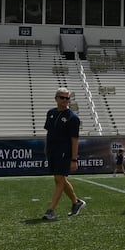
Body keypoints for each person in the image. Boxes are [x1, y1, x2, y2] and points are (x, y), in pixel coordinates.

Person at [42, 87, 86, 221]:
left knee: (59, 179)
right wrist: (46, 148)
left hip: (64, 152)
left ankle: (51, 210)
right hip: (52, 150)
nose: (65, 100)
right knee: (59, 179)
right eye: (62, 97)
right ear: (56, 98)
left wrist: (74, 159)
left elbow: (75, 140)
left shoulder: (72, 118)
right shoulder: (51, 113)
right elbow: (49, 133)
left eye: (67, 98)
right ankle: (76, 202)